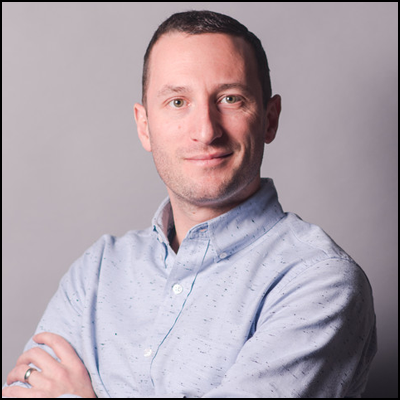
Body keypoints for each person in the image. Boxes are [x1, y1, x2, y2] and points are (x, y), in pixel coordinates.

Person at [2, 10, 377, 398]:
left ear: (269, 118)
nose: (206, 131)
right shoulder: (97, 272)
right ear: (144, 126)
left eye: (230, 99)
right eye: (178, 101)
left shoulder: (319, 282)